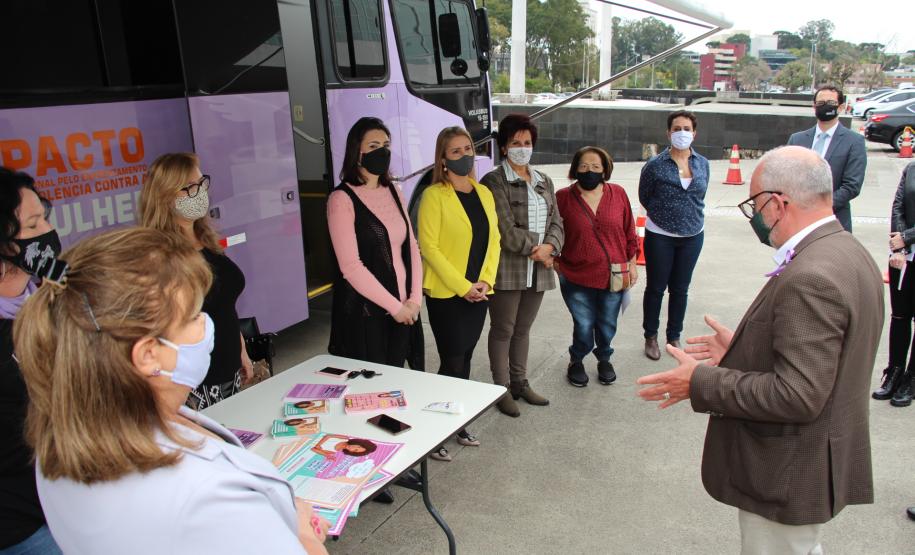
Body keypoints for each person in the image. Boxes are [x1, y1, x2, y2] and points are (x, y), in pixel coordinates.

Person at [16, 227, 329, 554]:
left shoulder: (63, 440)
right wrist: (301, 532)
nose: (207, 324)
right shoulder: (206, 498)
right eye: (194, 316)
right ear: (149, 354)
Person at [637, 146, 883, 554]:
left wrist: (701, 381)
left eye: (754, 204)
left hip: (787, 468)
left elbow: (798, 395)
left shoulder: (812, 276)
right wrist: (746, 350)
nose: (754, 216)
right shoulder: (846, 250)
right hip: (810, 459)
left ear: (777, 202)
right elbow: (827, 356)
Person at [139, 153, 253, 410]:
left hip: (229, 369)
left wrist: (241, 351)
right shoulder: (159, 254)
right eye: (189, 188)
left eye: (201, 184)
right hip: (194, 381)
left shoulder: (206, 239)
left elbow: (225, 306)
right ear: (165, 196)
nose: (199, 192)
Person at [417, 126, 500, 461]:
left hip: (479, 292)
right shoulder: (434, 195)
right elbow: (430, 248)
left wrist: (485, 282)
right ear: (443, 159)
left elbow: (493, 240)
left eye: (468, 148)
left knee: (465, 358)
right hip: (446, 295)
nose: (465, 155)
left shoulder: (484, 193)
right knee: (451, 358)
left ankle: (457, 419)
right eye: (456, 151)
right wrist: (464, 287)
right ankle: (433, 429)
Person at [480, 114, 563, 416]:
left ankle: (520, 382)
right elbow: (503, 228)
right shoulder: (493, 180)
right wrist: (537, 249)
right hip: (508, 268)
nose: (522, 148)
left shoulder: (544, 180)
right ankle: (500, 388)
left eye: (527, 143)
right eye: (515, 143)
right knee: (503, 328)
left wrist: (552, 246)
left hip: (538, 269)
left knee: (523, 329)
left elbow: (557, 219)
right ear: (503, 147)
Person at [327, 117, 423, 370]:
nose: (382, 151)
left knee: (400, 387)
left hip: (405, 310)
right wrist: (395, 308)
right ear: (355, 151)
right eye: (373, 145)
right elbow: (351, 267)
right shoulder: (341, 199)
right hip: (368, 315)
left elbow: (411, 247)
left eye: (386, 144)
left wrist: (414, 300)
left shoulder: (394, 191)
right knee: (373, 393)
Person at [0, 168, 62, 554]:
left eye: (45, 217)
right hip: (24, 521)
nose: (47, 231)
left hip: (67, 496)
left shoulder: (53, 279)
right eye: (32, 223)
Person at [555, 147, 638, 387]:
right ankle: (577, 359)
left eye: (595, 167)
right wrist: (554, 262)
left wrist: (632, 264)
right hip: (575, 275)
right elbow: (552, 232)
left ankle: (604, 358)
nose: (589, 171)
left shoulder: (618, 193)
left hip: (614, 274)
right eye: (583, 166)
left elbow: (629, 231)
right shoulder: (563, 197)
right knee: (583, 324)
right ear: (575, 169)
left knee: (607, 323)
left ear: (605, 170)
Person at [638, 110, 709, 361]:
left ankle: (673, 336)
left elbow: (700, 195)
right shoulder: (655, 165)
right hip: (660, 234)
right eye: (677, 128)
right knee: (656, 287)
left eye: (686, 129)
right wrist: (665, 216)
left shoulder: (703, 164)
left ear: (694, 133)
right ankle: (650, 336)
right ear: (668, 133)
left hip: (693, 234)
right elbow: (644, 196)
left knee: (680, 289)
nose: (682, 133)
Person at [787, 84, 866, 233]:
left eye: (830, 103)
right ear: (814, 106)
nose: (825, 107)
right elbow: (786, 178)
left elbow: (852, 186)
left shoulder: (854, 142)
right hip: (798, 221)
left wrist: (819, 205)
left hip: (834, 221)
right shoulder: (797, 139)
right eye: (820, 103)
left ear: (841, 107)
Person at [875, 160, 915, 407]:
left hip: (906, 242)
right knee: (900, 316)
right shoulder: (911, 169)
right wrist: (899, 243)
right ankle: (895, 371)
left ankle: (911, 378)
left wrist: (907, 236)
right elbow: (898, 206)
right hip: (904, 256)